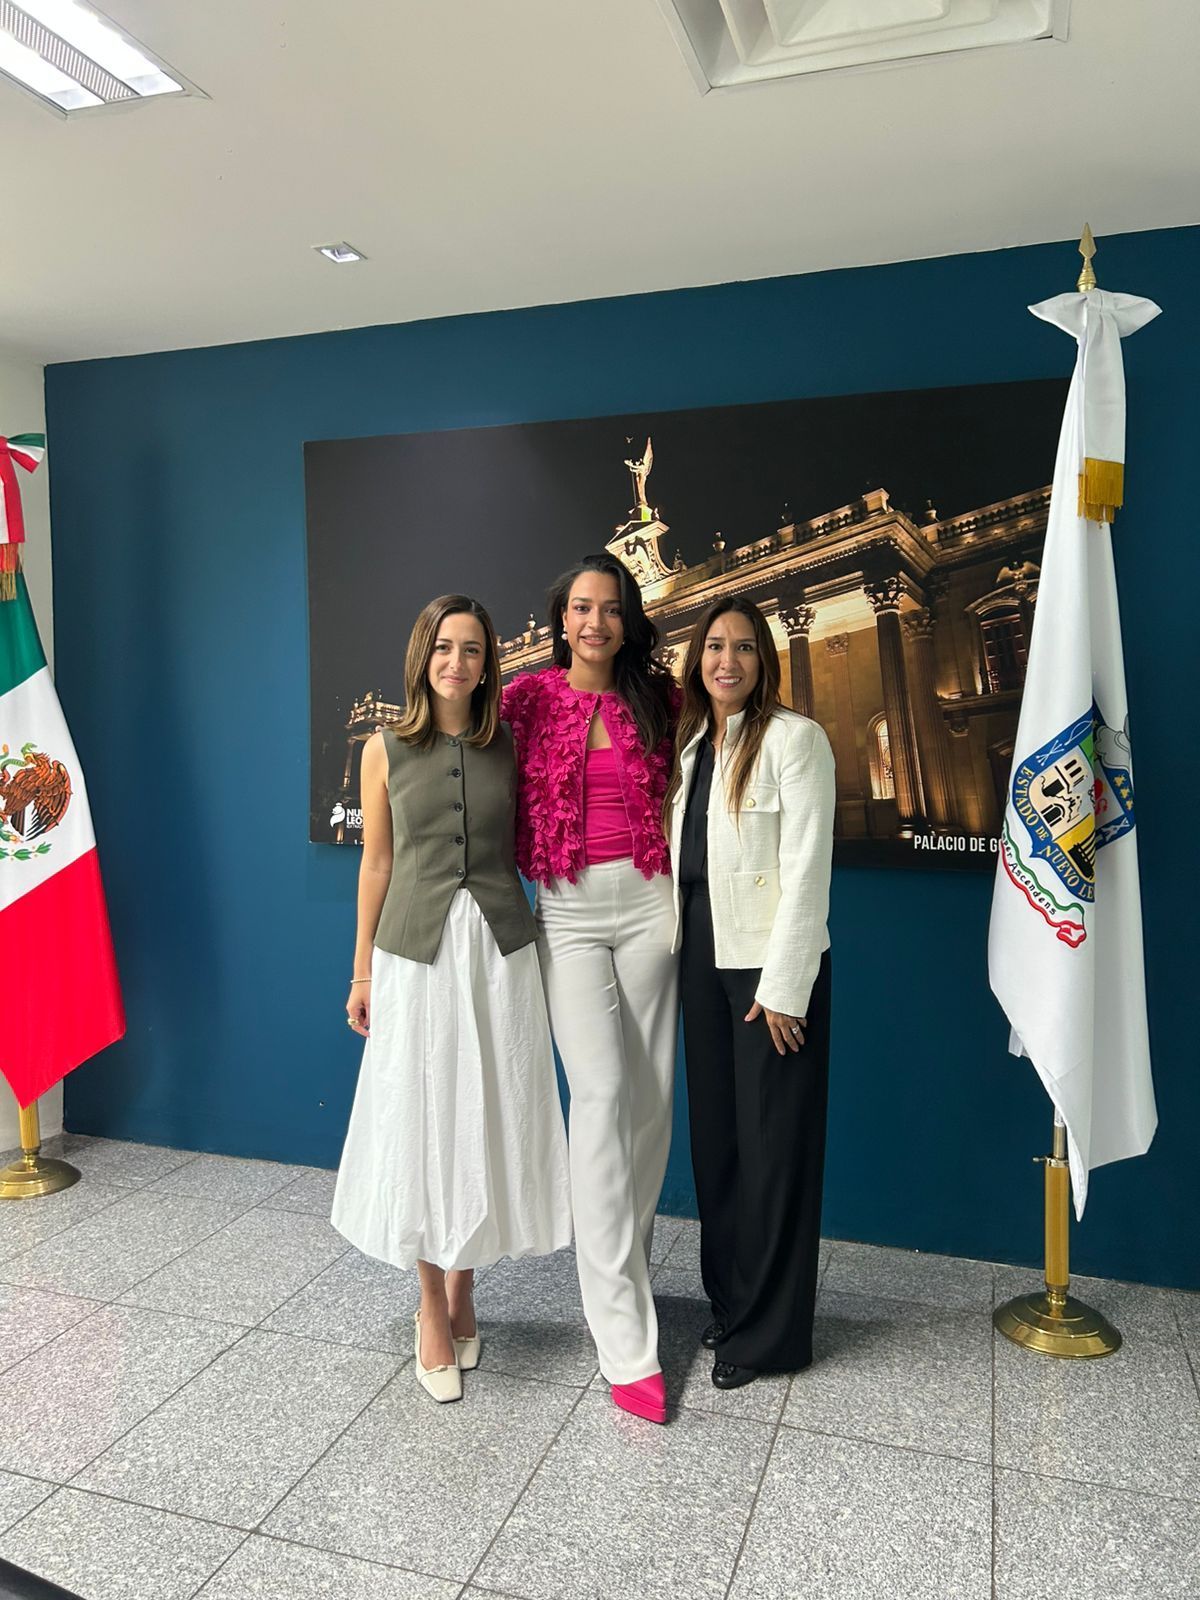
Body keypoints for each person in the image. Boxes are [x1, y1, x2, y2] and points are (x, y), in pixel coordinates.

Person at [332, 594, 572, 1404]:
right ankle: (430, 1303)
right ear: (422, 656)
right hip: (416, 956)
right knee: (425, 1124)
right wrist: (362, 972)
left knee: (484, 1119)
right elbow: (375, 864)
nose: (456, 663)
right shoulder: (384, 748)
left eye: (471, 650)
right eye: (444, 648)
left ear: (488, 663)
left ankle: (468, 1289)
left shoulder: (513, 743)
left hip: (501, 952)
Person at [502, 553, 678, 1424]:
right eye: (581, 608)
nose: (596, 623)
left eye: (610, 609)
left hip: (651, 903)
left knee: (649, 1105)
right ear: (561, 618)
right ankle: (624, 1338)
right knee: (601, 1093)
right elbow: (466, 763)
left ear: (627, 618)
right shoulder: (528, 701)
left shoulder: (659, 699)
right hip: (566, 910)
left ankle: (626, 1261)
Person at [665, 597, 835, 1389]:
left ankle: (769, 1337)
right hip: (700, 958)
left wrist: (787, 987)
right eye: (713, 647)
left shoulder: (797, 741)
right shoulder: (695, 743)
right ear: (697, 659)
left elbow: (806, 871)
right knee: (719, 1146)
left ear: (764, 660)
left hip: (769, 972)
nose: (725, 661)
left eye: (742, 648)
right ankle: (731, 1305)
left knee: (775, 1152)